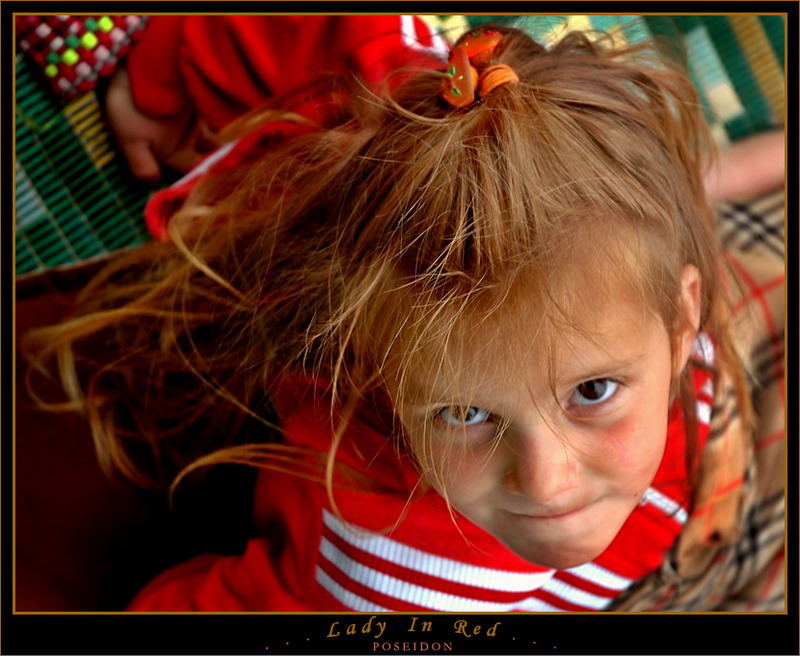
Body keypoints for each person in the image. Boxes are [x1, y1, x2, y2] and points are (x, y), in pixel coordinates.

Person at [25, 24, 785, 612]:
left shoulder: (464, 133)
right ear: (375, 373)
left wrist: (159, 67)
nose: (547, 484)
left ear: (683, 322)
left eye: (592, 394)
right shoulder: (380, 580)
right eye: (464, 413)